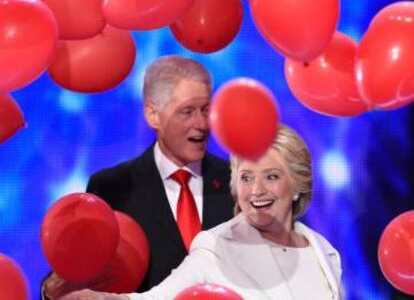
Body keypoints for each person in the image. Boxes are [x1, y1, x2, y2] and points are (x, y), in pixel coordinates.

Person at [59, 124, 344, 300]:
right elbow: (161, 298)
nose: (256, 190)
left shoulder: (324, 251)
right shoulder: (216, 246)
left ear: (297, 185)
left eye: (271, 177)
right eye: (246, 177)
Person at [42, 56, 234, 299]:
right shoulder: (111, 188)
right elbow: (79, 277)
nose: (202, 123)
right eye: (187, 112)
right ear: (153, 115)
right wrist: (50, 291)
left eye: (206, 110)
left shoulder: (238, 183)